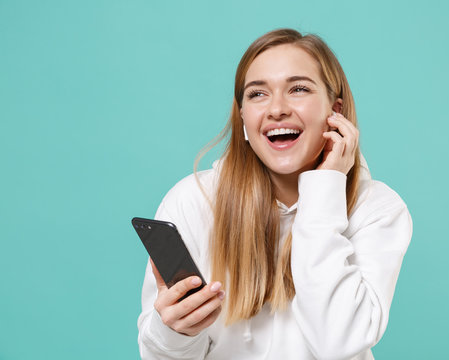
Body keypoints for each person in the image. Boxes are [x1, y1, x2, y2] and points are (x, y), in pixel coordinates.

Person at [137, 28, 412, 360]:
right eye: (257, 94)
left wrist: (324, 191)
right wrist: (175, 332)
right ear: (243, 117)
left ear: (335, 110)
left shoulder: (377, 209)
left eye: (298, 89)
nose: (277, 109)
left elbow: (338, 344)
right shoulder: (193, 200)